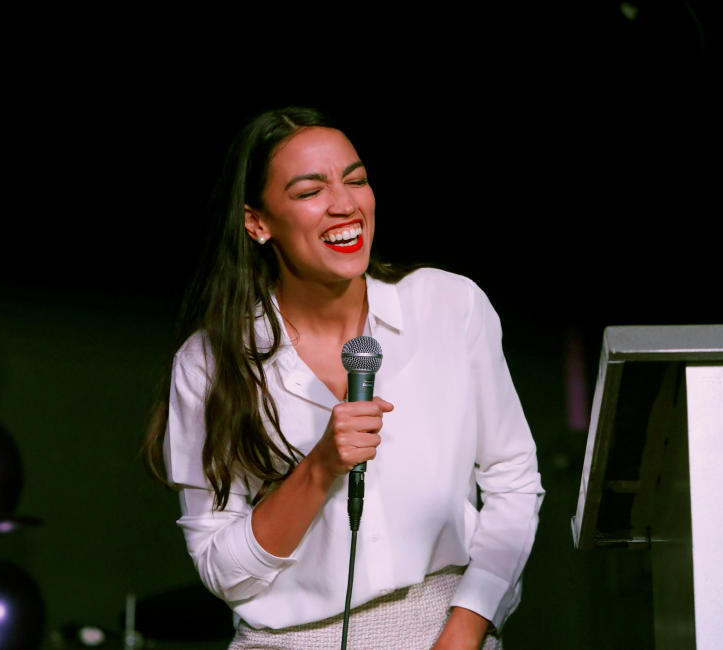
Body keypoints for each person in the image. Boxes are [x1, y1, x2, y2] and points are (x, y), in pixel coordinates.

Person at [143, 106, 544, 649]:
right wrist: (320, 467)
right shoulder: (212, 362)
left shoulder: (448, 306)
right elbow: (222, 569)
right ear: (258, 222)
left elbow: (513, 480)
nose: (344, 203)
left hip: (443, 628)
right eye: (310, 191)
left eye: (355, 179)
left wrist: (469, 625)